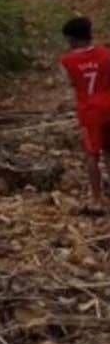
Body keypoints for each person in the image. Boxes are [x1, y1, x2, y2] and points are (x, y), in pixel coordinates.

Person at [58, 16, 110, 215]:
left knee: (91, 155)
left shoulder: (66, 61)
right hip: (108, 107)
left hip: (89, 112)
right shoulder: (106, 54)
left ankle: (97, 198)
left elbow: (69, 83)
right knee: (108, 151)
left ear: (71, 38)